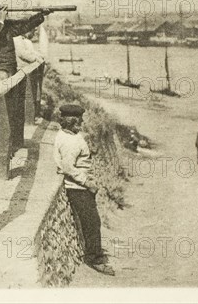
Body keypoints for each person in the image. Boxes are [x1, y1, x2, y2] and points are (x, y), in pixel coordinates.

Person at [53, 104, 115, 276]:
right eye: (79, 121)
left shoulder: (66, 135)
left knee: (92, 222)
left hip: (79, 187)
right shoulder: (71, 142)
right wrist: (88, 183)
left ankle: (94, 254)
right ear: (72, 122)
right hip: (78, 189)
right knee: (92, 223)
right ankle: (95, 259)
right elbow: (68, 167)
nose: (81, 123)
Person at [0, 0, 50, 85]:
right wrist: (1, 20)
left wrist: (40, 15)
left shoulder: (7, 26)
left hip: (11, 70)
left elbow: (25, 25)